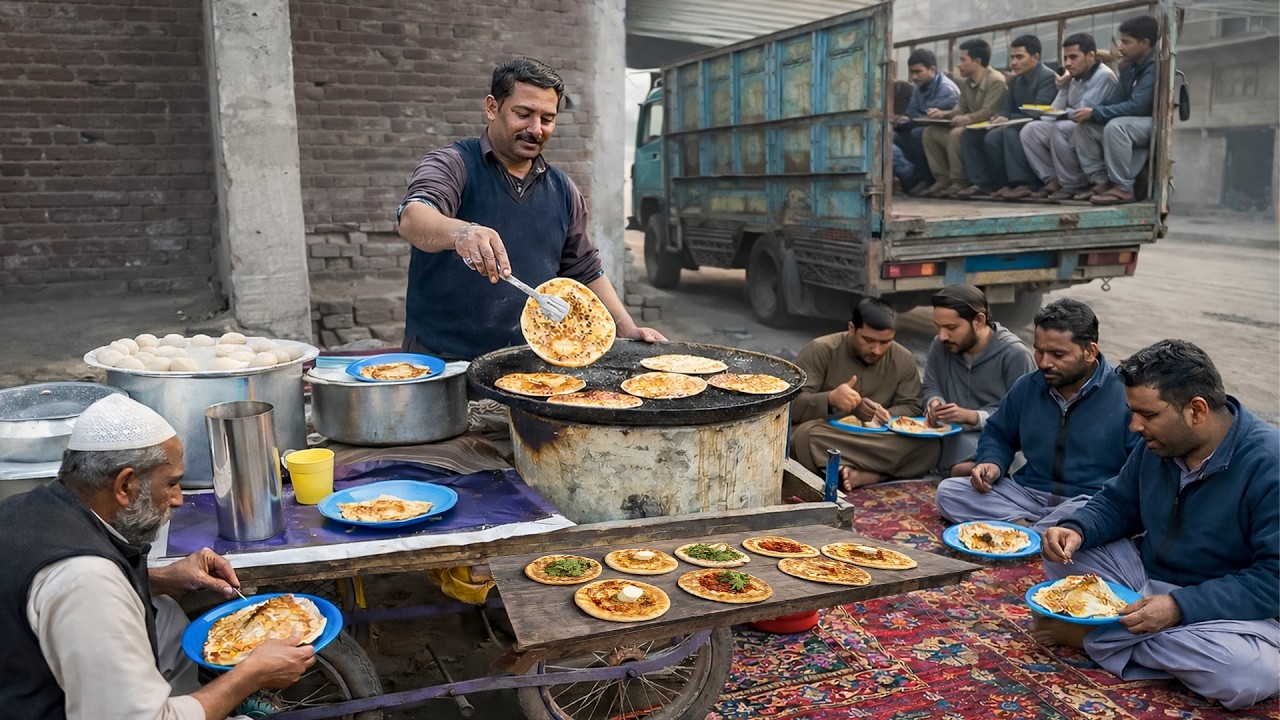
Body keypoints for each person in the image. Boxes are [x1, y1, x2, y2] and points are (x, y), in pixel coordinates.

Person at [0, 394, 314, 720]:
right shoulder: (86, 583)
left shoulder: (24, 510)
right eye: (171, 483)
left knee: (165, 612)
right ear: (125, 485)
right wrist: (250, 676)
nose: (178, 499)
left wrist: (159, 579)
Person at [1038, 339, 1279, 711]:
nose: (1135, 426)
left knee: (1247, 675)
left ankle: (1089, 635)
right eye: (1133, 412)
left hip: (1226, 612)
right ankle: (1150, 644)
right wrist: (1077, 529)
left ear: (1196, 410)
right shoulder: (1159, 445)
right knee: (1059, 538)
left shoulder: (1268, 464)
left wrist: (1179, 607)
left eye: (1147, 415)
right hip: (1146, 580)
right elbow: (1119, 502)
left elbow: (1273, 579)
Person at [397, 57, 664, 360]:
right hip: (443, 362)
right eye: (523, 114)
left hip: (529, 364)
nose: (535, 129)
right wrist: (462, 233)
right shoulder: (453, 164)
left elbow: (585, 268)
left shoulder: (563, 189)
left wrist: (626, 328)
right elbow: (413, 217)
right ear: (492, 108)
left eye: (547, 119)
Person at [934, 298, 1140, 531]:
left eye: (1058, 354)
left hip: (1088, 501)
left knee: (1098, 517)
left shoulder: (1125, 395)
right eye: (1039, 351)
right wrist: (992, 462)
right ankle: (1036, 531)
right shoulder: (1028, 386)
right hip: (1027, 493)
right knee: (949, 492)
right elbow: (998, 433)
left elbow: (1138, 473)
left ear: (1090, 352)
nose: (1044, 363)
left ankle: (1030, 531)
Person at [790, 298, 940, 490]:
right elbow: (789, 406)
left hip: (876, 438)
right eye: (868, 340)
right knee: (806, 437)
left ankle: (859, 472)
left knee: (931, 447)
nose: (876, 350)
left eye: (885, 342)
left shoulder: (903, 358)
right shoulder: (820, 349)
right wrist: (830, 400)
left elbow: (912, 406)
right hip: (831, 433)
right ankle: (875, 472)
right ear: (852, 329)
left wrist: (886, 414)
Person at [922, 285, 1035, 478]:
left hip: (996, 438)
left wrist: (972, 417)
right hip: (946, 434)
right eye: (939, 327)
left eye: (951, 328)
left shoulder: (1015, 355)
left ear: (979, 321)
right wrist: (935, 403)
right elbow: (931, 385)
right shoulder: (939, 346)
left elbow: (1024, 418)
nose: (942, 336)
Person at [955, 34, 1058, 200]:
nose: (1014, 62)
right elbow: (1006, 107)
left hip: (1037, 124)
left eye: (1019, 57)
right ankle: (985, 183)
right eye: (1012, 57)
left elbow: (1039, 111)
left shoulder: (1047, 77)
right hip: (1017, 121)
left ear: (1036, 57)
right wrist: (999, 117)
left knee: (1006, 133)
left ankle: (1025, 182)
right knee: (971, 134)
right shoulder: (1016, 81)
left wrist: (1008, 118)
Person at [1071, 15, 1159, 205]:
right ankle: (1101, 181)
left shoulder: (1154, 67)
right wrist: (1091, 113)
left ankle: (1123, 188)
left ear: (1145, 43)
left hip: (1152, 123)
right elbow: (1115, 100)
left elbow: (1138, 106)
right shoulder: (1130, 68)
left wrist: (1095, 112)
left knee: (1116, 127)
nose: (1120, 47)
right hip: (1131, 122)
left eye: (1126, 42)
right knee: (1085, 128)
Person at [1019, 33, 1117, 201]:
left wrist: (1060, 112)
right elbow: (1054, 111)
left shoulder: (1103, 75)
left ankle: (1074, 183)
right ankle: (1053, 178)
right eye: (1065, 58)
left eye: (1073, 57)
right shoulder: (1074, 76)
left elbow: (1081, 112)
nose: (1068, 63)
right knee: (1030, 130)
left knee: (1060, 128)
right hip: (1074, 124)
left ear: (1090, 56)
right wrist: (1063, 87)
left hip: (1096, 129)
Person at [920, 39, 1007, 198]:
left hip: (987, 128)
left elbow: (989, 111)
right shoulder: (968, 83)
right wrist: (943, 114)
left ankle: (960, 181)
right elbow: (961, 109)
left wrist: (967, 118)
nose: (958, 64)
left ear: (977, 61)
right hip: (970, 126)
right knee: (930, 132)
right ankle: (943, 179)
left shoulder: (995, 80)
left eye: (962, 59)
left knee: (956, 133)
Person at [893, 49, 960, 195]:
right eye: (912, 72)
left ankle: (926, 178)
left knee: (918, 133)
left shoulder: (946, 90)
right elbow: (912, 113)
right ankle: (912, 177)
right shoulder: (918, 88)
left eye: (918, 72)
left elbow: (929, 118)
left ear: (932, 69)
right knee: (894, 135)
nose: (914, 77)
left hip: (941, 130)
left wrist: (912, 118)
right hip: (922, 126)